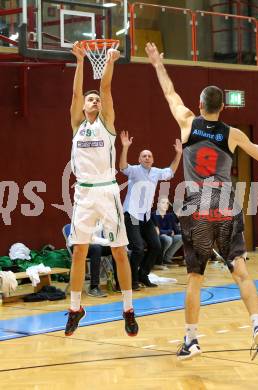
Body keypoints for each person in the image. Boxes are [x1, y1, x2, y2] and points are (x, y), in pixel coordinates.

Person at [145, 42, 258, 364]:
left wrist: (158, 64)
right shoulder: (232, 134)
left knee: (195, 278)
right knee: (241, 272)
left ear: (201, 104)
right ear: (222, 108)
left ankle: (191, 340)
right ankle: (257, 326)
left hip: (196, 208)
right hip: (226, 205)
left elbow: (170, 94)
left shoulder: (188, 122)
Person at [65, 42, 138, 337]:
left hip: (107, 192)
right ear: (83, 106)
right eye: (90, 99)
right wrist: (81, 61)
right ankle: (74, 309)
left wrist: (109, 61)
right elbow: (75, 93)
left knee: (119, 251)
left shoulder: (107, 124)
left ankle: (128, 309)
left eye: (96, 99)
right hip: (83, 193)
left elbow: (106, 88)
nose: (94, 100)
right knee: (79, 251)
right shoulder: (76, 124)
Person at [119, 131, 182, 289]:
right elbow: (122, 167)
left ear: (152, 160)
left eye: (149, 156)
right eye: (144, 156)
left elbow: (171, 171)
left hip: (146, 216)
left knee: (156, 246)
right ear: (139, 159)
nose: (147, 158)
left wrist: (179, 154)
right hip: (132, 214)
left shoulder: (156, 172)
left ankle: (143, 274)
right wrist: (125, 147)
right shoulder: (134, 171)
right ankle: (132, 280)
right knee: (138, 248)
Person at [152, 197, 183, 268]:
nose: (165, 205)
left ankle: (167, 259)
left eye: (167, 203)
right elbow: (158, 231)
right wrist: (168, 232)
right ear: (158, 204)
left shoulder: (169, 216)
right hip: (157, 237)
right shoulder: (154, 215)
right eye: (163, 203)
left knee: (180, 237)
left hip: (167, 236)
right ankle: (158, 260)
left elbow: (174, 230)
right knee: (167, 239)